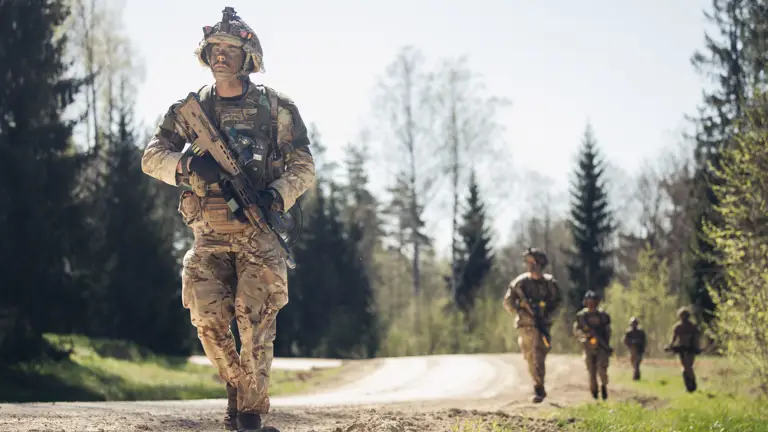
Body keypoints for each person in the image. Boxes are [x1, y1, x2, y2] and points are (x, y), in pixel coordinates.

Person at [140, 7, 315, 431]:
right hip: (208, 236)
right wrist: (188, 170)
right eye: (215, 49)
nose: (221, 56)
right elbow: (151, 157)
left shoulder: (277, 110)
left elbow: (304, 166)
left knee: (254, 324)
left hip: (259, 234)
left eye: (231, 50)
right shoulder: (191, 110)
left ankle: (250, 414)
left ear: (248, 57)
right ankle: (239, 390)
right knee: (209, 321)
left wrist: (277, 195)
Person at [503, 247, 563, 403]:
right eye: (528, 262)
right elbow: (508, 302)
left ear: (540, 264)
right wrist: (520, 310)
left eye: (533, 262)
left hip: (542, 325)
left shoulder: (550, 284)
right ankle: (537, 383)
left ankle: (538, 387)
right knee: (529, 356)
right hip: (525, 326)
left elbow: (559, 304)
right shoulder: (520, 283)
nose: (530, 265)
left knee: (539, 355)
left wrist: (547, 316)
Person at [573, 290, 612, 400]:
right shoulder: (581, 316)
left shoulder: (603, 316)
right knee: (591, 372)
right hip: (588, 347)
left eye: (593, 302)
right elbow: (576, 330)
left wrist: (605, 344)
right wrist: (584, 336)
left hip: (601, 347)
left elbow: (608, 331)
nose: (591, 305)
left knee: (602, 369)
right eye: (589, 302)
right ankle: (594, 392)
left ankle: (604, 386)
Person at [664, 306, 701, 392]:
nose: (684, 318)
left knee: (688, 366)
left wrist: (696, 347)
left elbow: (696, 338)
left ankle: (692, 384)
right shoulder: (677, 327)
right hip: (681, 349)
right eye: (682, 316)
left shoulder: (692, 327)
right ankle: (689, 385)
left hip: (690, 349)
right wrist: (670, 346)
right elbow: (674, 338)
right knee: (685, 367)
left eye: (685, 315)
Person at [623, 316, 646, 381]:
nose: (634, 325)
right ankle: (636, 375)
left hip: (639, 351)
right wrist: (631, 343)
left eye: (635, 323)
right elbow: (625, 341)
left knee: (637, 363)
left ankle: (636, 376)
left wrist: (638, 343)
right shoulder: (628, 332)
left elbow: (644, 341)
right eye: (633, 323)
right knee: (633, 363)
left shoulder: (641, 332)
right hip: (632, 351)